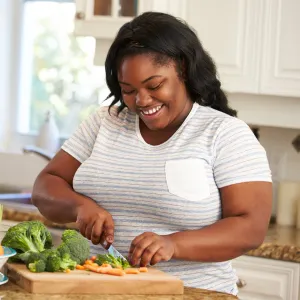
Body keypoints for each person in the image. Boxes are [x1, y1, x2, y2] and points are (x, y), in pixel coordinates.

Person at [32, 12, 272, 295]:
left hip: (192, 293)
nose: (141, 101)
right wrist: (80, 207)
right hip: (98, 289)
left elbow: (251, 227)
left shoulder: (225, 134)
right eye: (128, 90)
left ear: (183, 68)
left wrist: (174, 244)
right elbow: (45, 185)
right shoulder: (105, 121)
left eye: (154, 85)